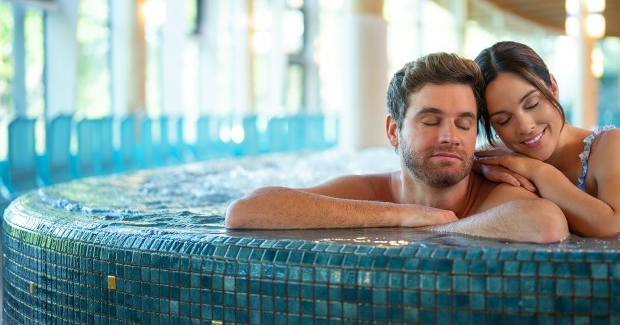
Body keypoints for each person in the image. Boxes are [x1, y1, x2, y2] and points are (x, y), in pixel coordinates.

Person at [226, 52, 569, 243]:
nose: (449, 136)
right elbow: (245, 211)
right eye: (431, 121)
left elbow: (547, 223)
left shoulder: (494, 194)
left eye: (464, 124)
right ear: (394, 131)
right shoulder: (372, 192)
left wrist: (437, 227)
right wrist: (401, 215)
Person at [473, 41, 620, 238]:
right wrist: (480, 167)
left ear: (553, 88)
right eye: (504, 120)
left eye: (532, 104)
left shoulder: (613, 145)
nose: (525, 126)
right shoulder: (503, 160)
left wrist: (539, 171)